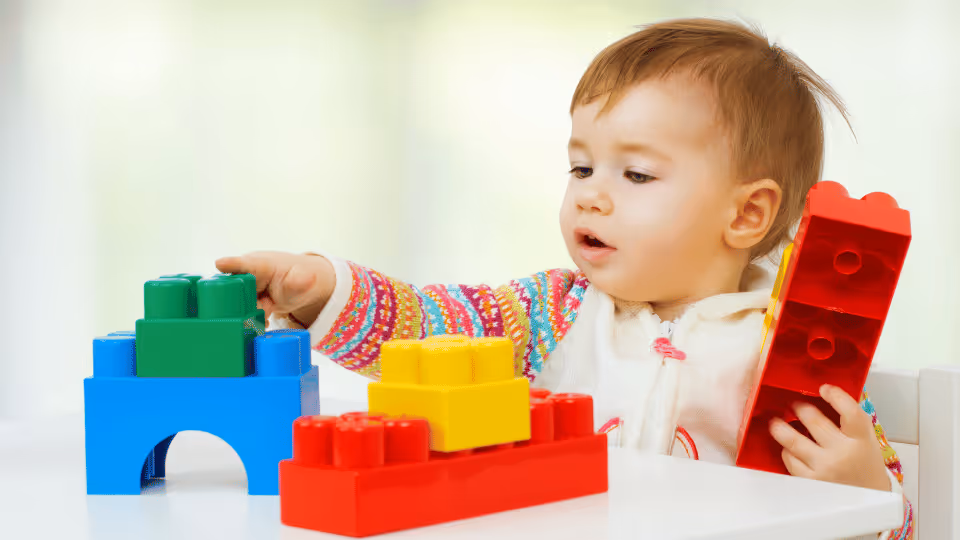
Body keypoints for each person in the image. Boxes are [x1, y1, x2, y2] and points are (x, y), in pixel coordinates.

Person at [216, 17, 912, 538]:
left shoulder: (789, 351)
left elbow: (886, 520)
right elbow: (426, 327)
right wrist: (324, 290)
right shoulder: (550, 311)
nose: (589, 194)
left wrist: (867, 490)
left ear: (747, 213)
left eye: (636, 174)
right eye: (581, 167)